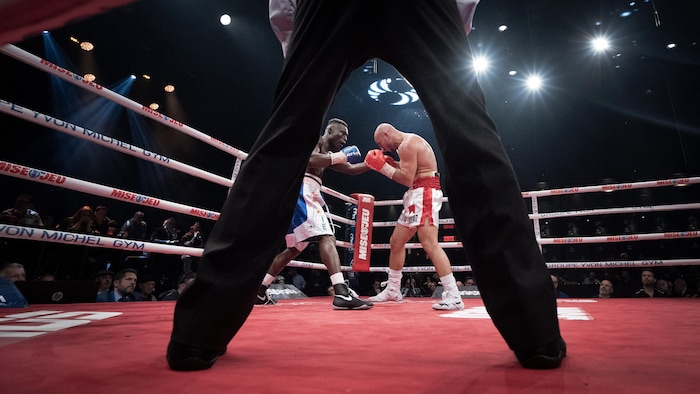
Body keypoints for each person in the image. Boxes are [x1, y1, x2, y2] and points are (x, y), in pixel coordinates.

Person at [168, 0, 564, 371]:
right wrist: (451, 23)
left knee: (283, 141)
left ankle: (198, 330)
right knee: (471, 141)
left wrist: (295, 35)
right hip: (423, 10)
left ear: (387, 135)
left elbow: (394, 174)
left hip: (330, 13)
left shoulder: (408, 144)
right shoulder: (394, 145)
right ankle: (535, 331)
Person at [254, 118, 372, 309]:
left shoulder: (328, 154)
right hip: (302, 191)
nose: (345, 139)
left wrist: (375, 162)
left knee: (294, 249)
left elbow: (350, 169)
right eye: (342, 133)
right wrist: (340, 156)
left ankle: (259, 291)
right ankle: (341, 292)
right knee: (327, 237)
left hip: (308, 194)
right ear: (330, 130)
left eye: (347, 136)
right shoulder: (314, 140)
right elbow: (308, 159)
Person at [365, 123, 463, 310]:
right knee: (396, 242)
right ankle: (393, 289)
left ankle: (453, 293)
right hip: (417, 193)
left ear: (387, 134)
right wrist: (392, 164)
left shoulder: (407, 144)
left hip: (424, 193)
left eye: (380, 142)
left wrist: (382, 168)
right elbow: (409, 172)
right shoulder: (408, 144)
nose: (381, 148)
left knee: (429, 243)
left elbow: (407, 178)